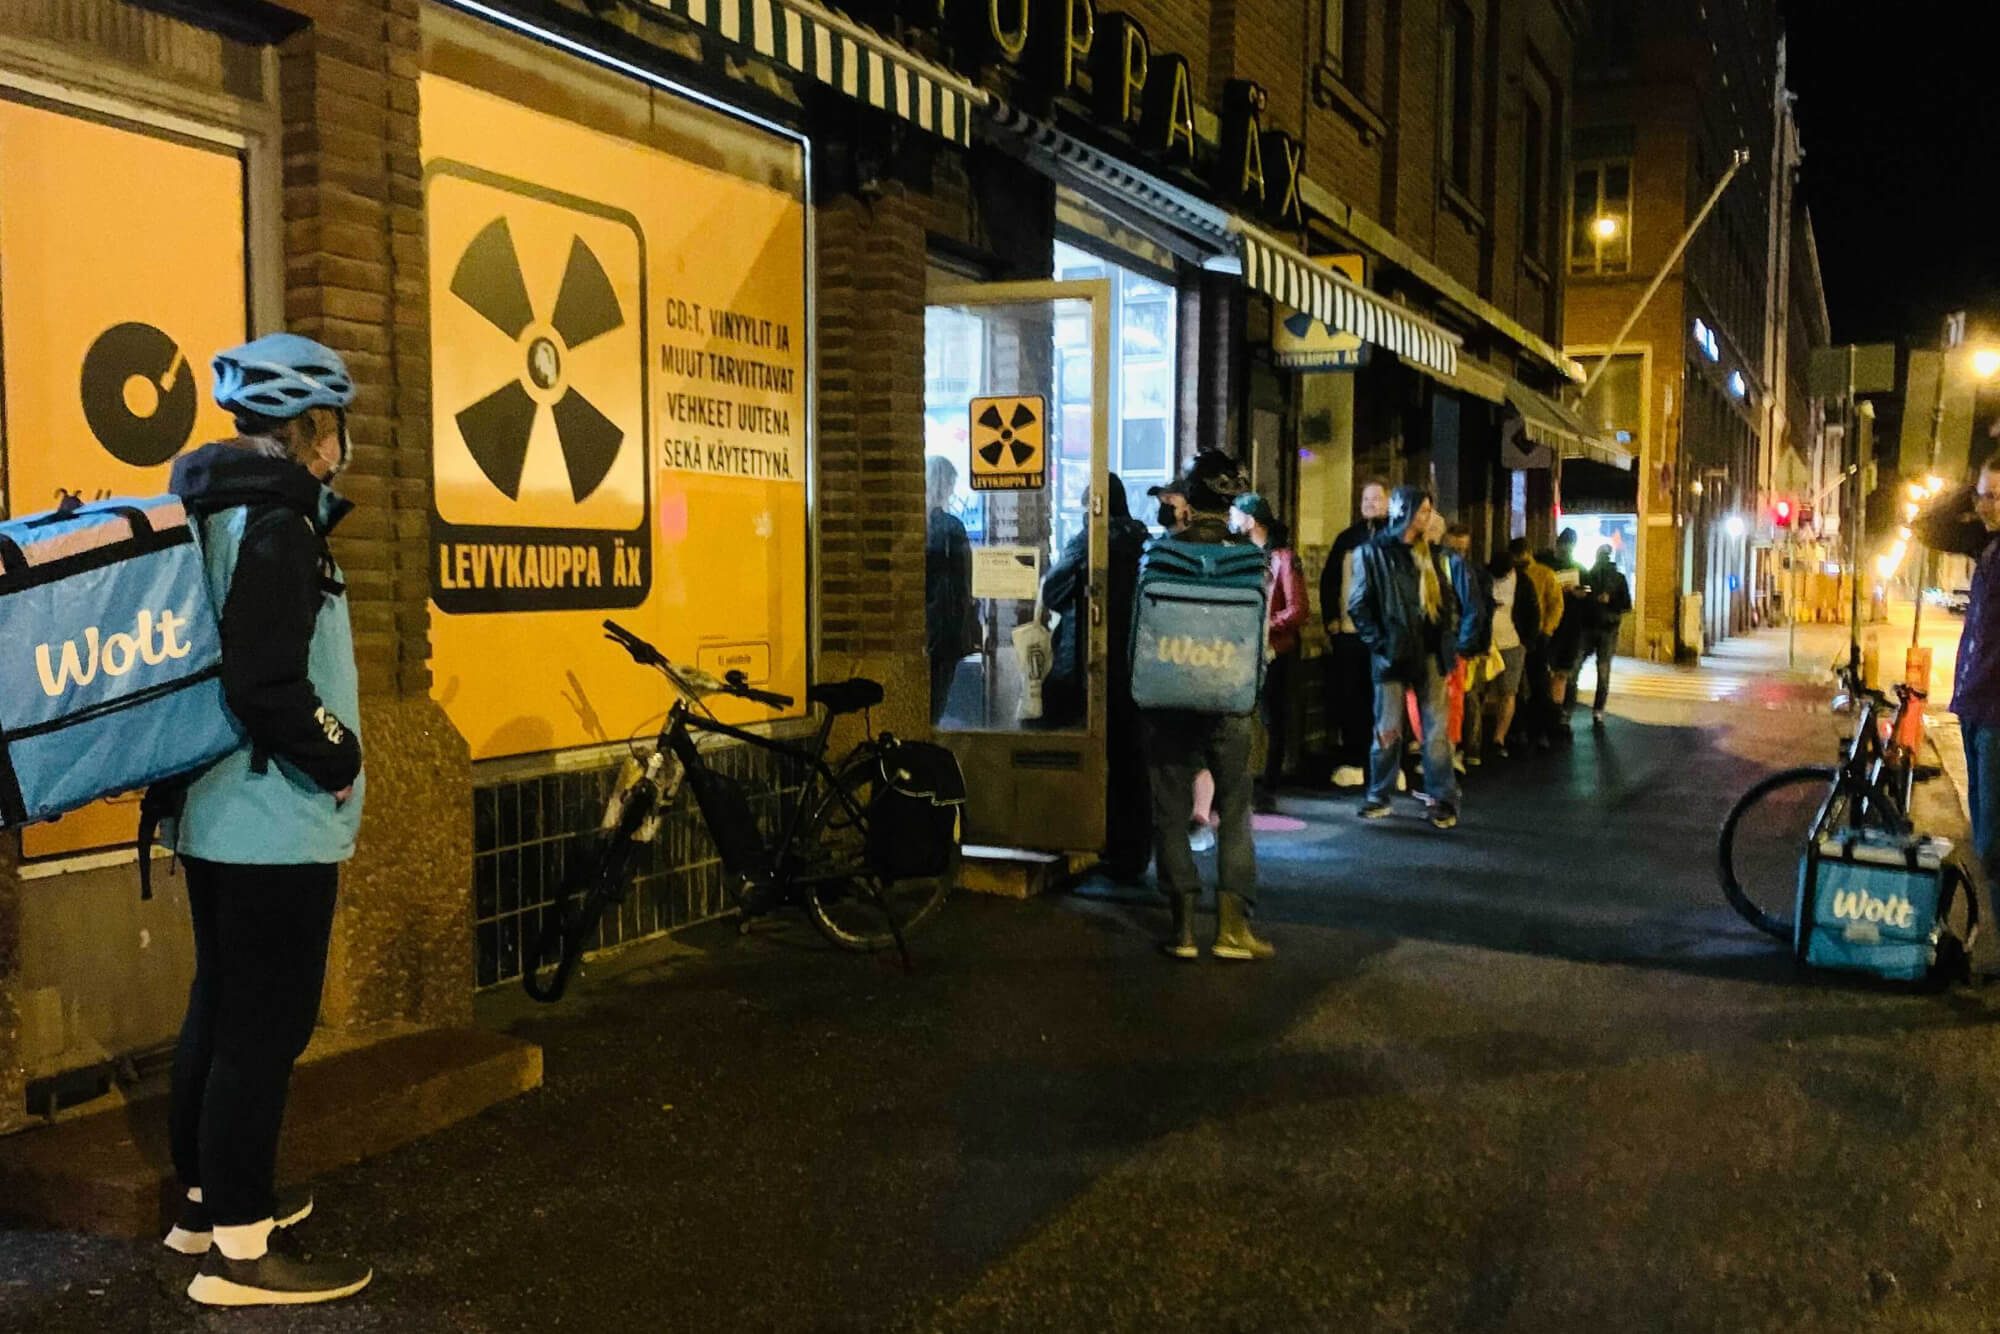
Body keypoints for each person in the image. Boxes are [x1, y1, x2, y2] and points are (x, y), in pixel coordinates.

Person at [162, 334, 371, 1306]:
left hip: (213, 809)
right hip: (271, 819)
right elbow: (266, 681)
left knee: (219, 1008)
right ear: (316, 430)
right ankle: (241, 1254)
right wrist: (339, 755)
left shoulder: (211, 509)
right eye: (339, 427)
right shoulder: (280, 524)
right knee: (264, 1030)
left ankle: (204, 1205)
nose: (343, 445)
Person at [1141, 449, 1271, 961]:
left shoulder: (1159, 555)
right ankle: (1233, 930)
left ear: (1188, 503)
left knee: (1171, 812)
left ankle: (1183, 930)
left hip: (1168, 698)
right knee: (1235, 811)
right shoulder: (1250, 560)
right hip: (1231, 700)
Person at [1042, 474, 1152, 878]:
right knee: (1128, 759)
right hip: (1131, 665)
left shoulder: (1087, 541)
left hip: (1083, 661)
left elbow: (1052, 592)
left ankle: (1075, 833)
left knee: (1069, 749)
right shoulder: (1142, 543)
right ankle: (1131, 852)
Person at [1349, 487, 1477, 829]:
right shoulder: (1372, 553)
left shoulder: (1432, 555)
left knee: (1434, 733)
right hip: (1392, 653)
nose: (1426, 518)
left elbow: (1447, 603)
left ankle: (1441, 798)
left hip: (1429, 652)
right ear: (1403, 512)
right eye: (1421, 511)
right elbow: (1358, 606)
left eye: (1428, 511)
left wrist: (1449, 640)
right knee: (1388, 729)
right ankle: (1380, 794)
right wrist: (1381, 643)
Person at [1913, 464, 2000, 897]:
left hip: (1996, 715)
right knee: (1985, 839)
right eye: (1983, 496)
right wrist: (1970, 491)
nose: (1985, 507)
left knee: (1993, 846)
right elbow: (1927, 527)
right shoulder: (1987, 544)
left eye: (1994, 497)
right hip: (1974, 706)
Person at [1231, 492, 1307, 812]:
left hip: (1275, 650)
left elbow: (1298, 609)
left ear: (1251, 521)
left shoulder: (1283, 559)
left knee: (1273, 718)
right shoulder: (1239, 556)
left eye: (1236, 514)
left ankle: (1269, 787)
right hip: (1245, 649)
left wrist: (1265, 625)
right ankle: (1243, 781)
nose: (1231, 519)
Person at [1321, 480, 1389, 787]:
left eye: (1376, 498)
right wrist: (1331, 619)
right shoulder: (1347, 538)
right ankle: (1353, 758)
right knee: (1350, 697)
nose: (1370, 504)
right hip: (1349, 633)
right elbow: (1330, 581)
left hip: (1384, 635)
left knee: (1384, 700)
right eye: (1365, 499)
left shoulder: (1397, 538)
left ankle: (1384, 762)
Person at [925, 456, 974, 725]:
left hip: (920, 624)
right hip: (945, 627)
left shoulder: (917, 524)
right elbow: (964, 579)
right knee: (937, 697)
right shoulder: (951, 526)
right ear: (944, 485)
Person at [1444, 522, 1495, 768]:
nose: (1458, 554)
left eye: (1462, 549)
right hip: (1460, 642)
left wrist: (1475, 645)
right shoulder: (1471, 571)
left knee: (1466, 697)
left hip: (1462, 644)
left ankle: (1467, 747)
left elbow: (1482, 611)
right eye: (1455, 548)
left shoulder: (1474, 573)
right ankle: (1460, 749)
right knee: (1462, 697)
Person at [1480, 546, 1538, 760]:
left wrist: (1527, 643)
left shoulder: (1523, 582)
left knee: (1508, 692)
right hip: (1485, 644)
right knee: (1480, 691)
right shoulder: (1483, 577)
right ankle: (1476, 738)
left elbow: (1533, 612)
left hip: (1512, 643)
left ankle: (1499, 738)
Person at [1511, 536, 1563, 748]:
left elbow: (1555, 604)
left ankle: (1536, 730)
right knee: (1523, 685)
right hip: (1520, 635)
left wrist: (1546, 630)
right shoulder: (1519, 573)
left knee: (1537, 684)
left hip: (1536, 636)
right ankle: (1524, 730)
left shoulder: (1543, 574)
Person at [1541, 528, 1589, 733]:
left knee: (1563, 672)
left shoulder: (1579, 569)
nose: (1567, 550)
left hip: (1569, 626)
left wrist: (1581, 594)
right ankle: (1555, 715)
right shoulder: (1547, 566)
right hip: (1555, 626)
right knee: (1554, 672)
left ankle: (1559, 715)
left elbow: (1589, 594)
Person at [1582, 544, 1633, 726]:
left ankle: (1569, 709)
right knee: (1603, 671)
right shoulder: (1617, 578)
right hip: (1606, 628)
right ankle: (1598, 710)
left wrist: (1606, 600)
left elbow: (1625, 604)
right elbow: (1627, 605)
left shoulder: (1589, 575)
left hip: (1591, 627)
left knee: (1578, 667)